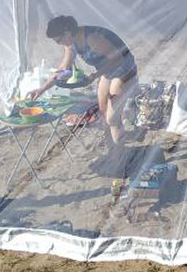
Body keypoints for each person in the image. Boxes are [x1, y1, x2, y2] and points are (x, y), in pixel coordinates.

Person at [31, 15, 138, 167]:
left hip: (124, 70)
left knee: (112, 118)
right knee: (103, 116)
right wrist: (42, 88)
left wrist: (94, 76)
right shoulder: (70, 43)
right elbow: (63, 69)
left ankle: (119, 160)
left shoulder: (92, 38)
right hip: (107, 72)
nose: (58, 43)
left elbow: (118, 59)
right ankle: (113, 154)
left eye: (58, 39)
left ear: (67, 33)